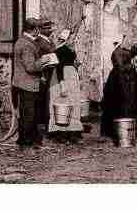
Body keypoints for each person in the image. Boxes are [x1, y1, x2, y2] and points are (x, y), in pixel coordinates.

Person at [12, 18, 48, 148]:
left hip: (21, 83)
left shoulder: (21, 41)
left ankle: (26, 139)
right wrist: (44, 61)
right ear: (35, 30)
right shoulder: (27, 45)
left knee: (26, 112)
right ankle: (26, 141)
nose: (39, 31)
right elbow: (31, 67)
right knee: (30, 114)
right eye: (38, 29)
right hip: (28, 83)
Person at [101, 34, 137, 139]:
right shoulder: (116, 52)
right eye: (123, 40)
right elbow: (120, 67)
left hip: (125, 79)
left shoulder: (122, 51)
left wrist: (136, 48)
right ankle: (120, 130)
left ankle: (127, 127)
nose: (125, 41)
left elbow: (130, 54)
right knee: (122, 103)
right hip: (119, 80)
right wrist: (130, 66)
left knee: (128, 102)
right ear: (120, 41)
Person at [47, 29, 84, 143]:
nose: (74, 40)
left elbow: (72, 62)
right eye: (71, 38)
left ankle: (72, 133)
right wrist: (62, 85)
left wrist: (76, 66)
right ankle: (61, 133)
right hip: (62, 77)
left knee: (74, 104)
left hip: (71, 77)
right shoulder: (59, 50)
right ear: (66, 39)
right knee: (62, 106)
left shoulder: (71, 50)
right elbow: (58, 68)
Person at [34, 19, 57, 136]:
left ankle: (49, 124)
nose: (49, 30)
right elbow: (39, 58)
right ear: (41, 30)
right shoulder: (40, 42)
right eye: (46, 28)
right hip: (45, 73)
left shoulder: (49, 41)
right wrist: (41, 75)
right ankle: (44, 125)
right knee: (45, 100)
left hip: (52, 72)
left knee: (50, 99)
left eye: (50, 28)